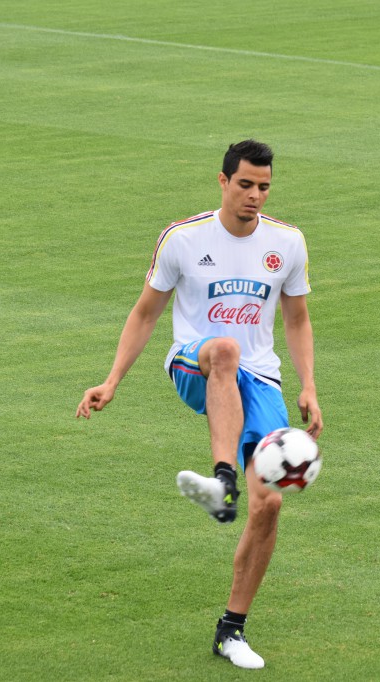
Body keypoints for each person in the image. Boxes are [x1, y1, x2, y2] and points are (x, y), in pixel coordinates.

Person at [76, 140, 323, 670]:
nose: (255, 195)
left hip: (261, 378)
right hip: (195, 362)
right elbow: (145, 313)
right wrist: (112, 380)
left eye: (264, 187)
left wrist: (308, 386)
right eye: (245, 184)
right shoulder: (183, 238)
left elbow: (297, 318)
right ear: (223, 181)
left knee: (269, 505)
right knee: (226, 349)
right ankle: (222, 479)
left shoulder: (288, 242)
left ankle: (231, 630)